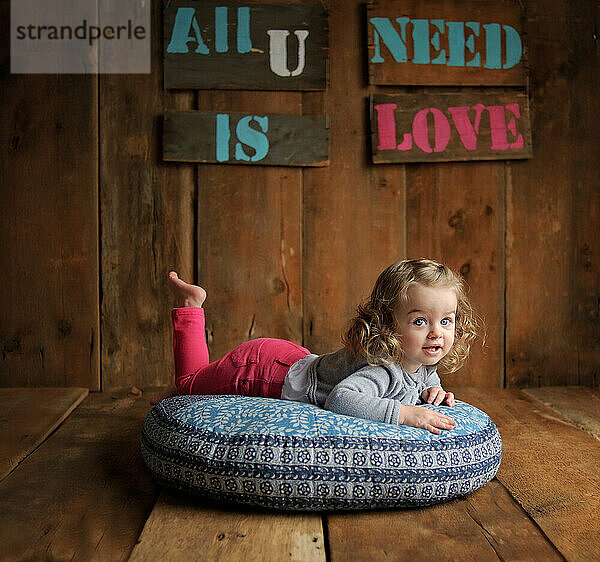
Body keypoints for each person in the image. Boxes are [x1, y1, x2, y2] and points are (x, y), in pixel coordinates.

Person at [159, 258, 480, 435]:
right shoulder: (383, 370)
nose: (437, 334)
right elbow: (341, 399)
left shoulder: (420, 356)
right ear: (388, 325)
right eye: (420, 321)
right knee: (190, 385)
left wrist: (435, 391)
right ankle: (191, 305)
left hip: (296, 361)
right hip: (263, 372)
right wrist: (405, 413)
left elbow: (426, 378)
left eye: (446, 321)